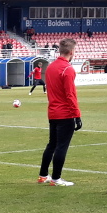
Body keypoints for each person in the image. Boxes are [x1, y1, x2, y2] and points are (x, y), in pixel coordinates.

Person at [38, 39, 80, 186]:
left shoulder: (50, 67)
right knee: (61, 146)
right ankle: (56, 178)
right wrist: (77, 115)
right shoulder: (67, 69)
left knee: (52, 144)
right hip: (65, 113)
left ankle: (43, 175)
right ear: (72, 52)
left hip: (53, 111)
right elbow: (70, 94)